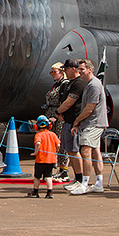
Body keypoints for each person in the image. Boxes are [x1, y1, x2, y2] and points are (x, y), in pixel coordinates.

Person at [67, 59, 108, 195]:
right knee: (96, 152)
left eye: (82, 69)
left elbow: (89, 108)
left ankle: (84, 183)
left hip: (93, 123)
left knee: (85, 151)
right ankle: (99, 183)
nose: (80, 72)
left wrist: (77, 121)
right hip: (92, 122)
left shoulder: (94, 85)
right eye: (79, 69)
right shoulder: (89, 84)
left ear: (90, 69)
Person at [56, 59, 86, 191]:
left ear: (73, 69)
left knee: (74, 150)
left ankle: (80, 178)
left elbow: (70, 101)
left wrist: (58, 111)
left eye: (66, 69)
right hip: (67, 121)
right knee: (70, 150)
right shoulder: (69, 83)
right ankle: (77, 178)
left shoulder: (79, 83)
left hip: (74, 122)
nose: (64, 72)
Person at [44, 63, 71, 181]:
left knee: (61, 143)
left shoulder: (64, 85)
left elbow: (64, 101)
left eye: (55, 72)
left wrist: (57, 115)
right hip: (51, 113)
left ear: (62, 72)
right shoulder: (56, 85)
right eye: (51, 72)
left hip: (58, 117)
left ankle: (63, 170)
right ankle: (56, 168)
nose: (52, 75)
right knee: (54, 143)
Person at [27, 115, 60, 199]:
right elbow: (58, 144)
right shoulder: (52, 134)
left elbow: (38, 143)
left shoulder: (38, 135)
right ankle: (50, 192)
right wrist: (55, 151)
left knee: (37, 176)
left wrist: (35, 152)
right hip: (51, 159)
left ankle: (35, 191)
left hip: (41, 159)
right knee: (48, 176)